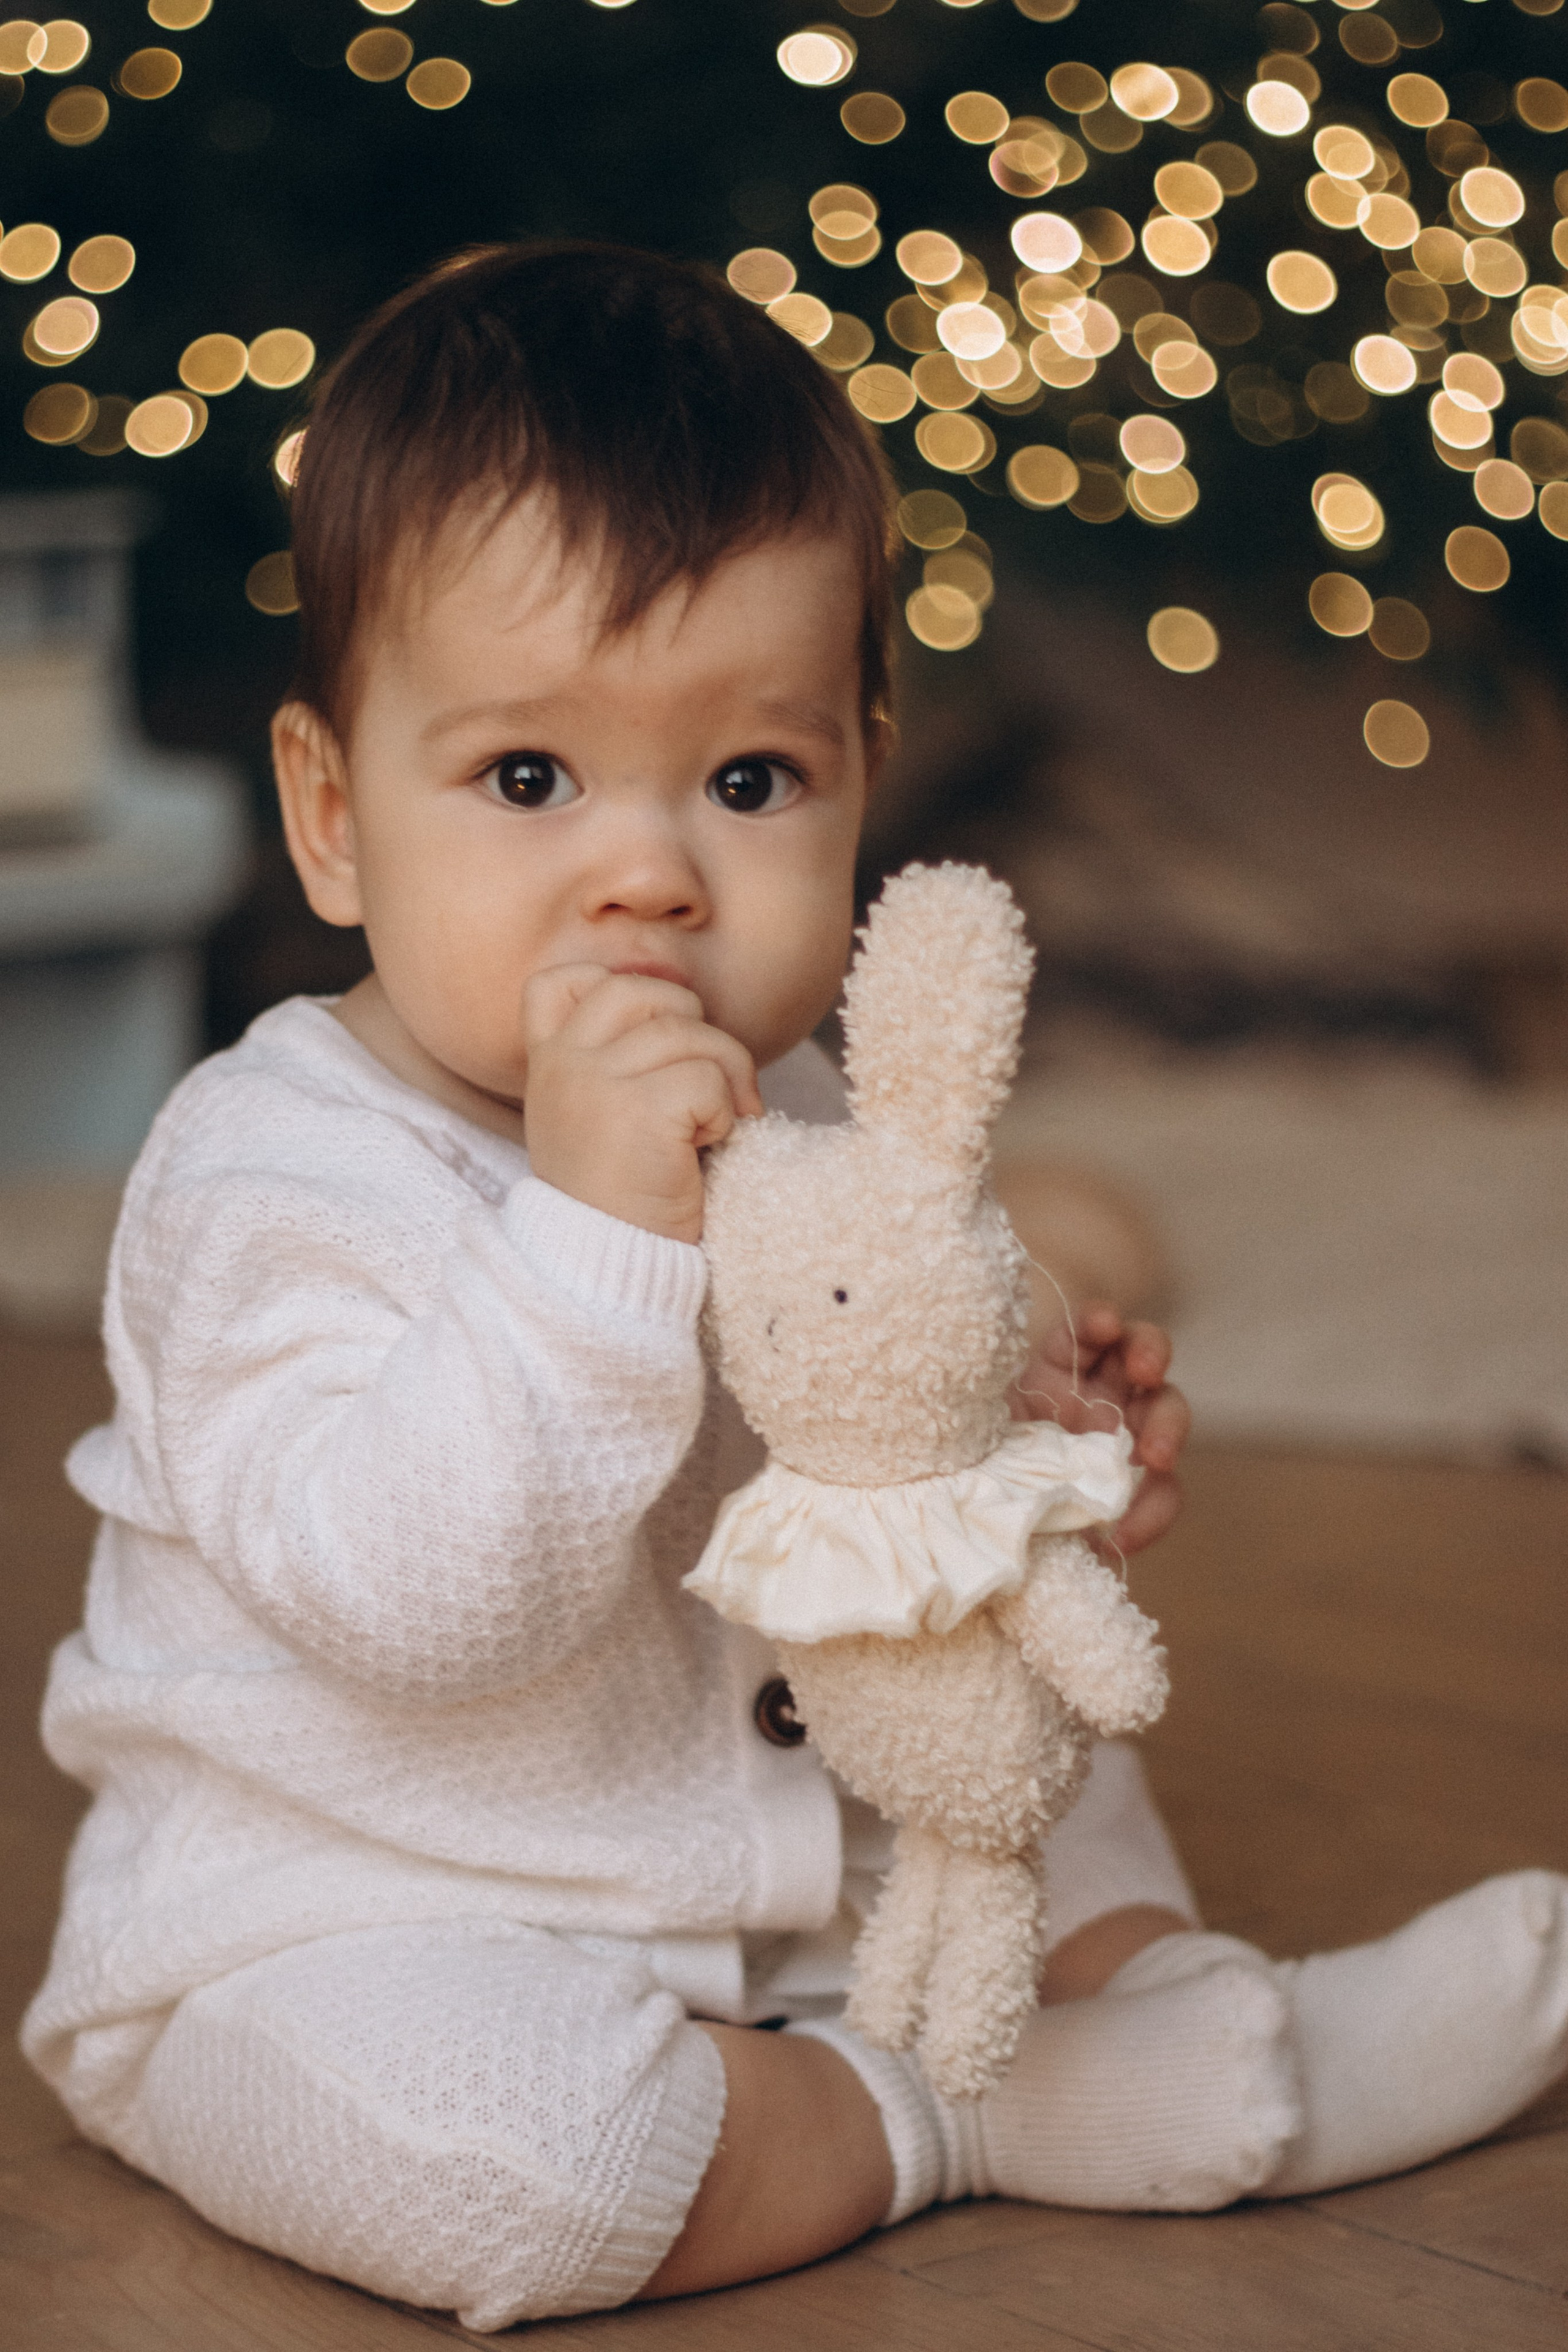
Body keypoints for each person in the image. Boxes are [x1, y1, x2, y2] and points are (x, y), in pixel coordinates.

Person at [22, 243, 1567, 2331]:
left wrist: (1039, 1451)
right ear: (331, 819)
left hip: (818, 1888)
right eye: (526, 780)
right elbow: (403, 1610)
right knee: (506, 2177)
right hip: (357, 1919)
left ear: (860, 771)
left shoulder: (807, 1099)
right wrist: (589, 1238)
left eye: (750, 783)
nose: (650, 872)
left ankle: (1163, 2003)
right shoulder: (268, 1167)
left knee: (1034, 1719)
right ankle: (967, 2111)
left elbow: (866, 1417)